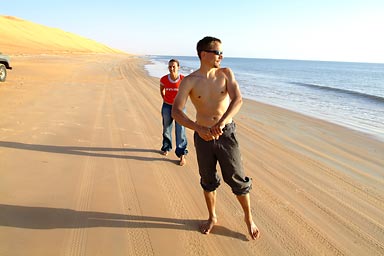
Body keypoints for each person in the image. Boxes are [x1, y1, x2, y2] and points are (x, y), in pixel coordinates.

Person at [172, 36, 260, 240]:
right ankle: (212, 217)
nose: (221, 56)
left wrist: (222, 121)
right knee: (208, 179)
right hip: (203, 136)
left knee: (237, 178)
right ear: (204, 54)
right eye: (217, 52)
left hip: (226, 134)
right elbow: (176, 111)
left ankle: (249, 218)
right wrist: (197, 128)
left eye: (221, 52)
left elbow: (238, 100)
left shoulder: (226, 73)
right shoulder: (190, 81)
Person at [160, 59, 188, 166]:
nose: (171, 68)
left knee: (180, 130)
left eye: (174, 66)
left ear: (178, 67)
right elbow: (162, 90)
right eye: (170, 66)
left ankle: (182, 155)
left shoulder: (183, 80)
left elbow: (188, 93)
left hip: (180, 108)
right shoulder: (163, 79)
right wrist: (165, 99)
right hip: (167, 107)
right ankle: (166, 147)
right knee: (166, 128)